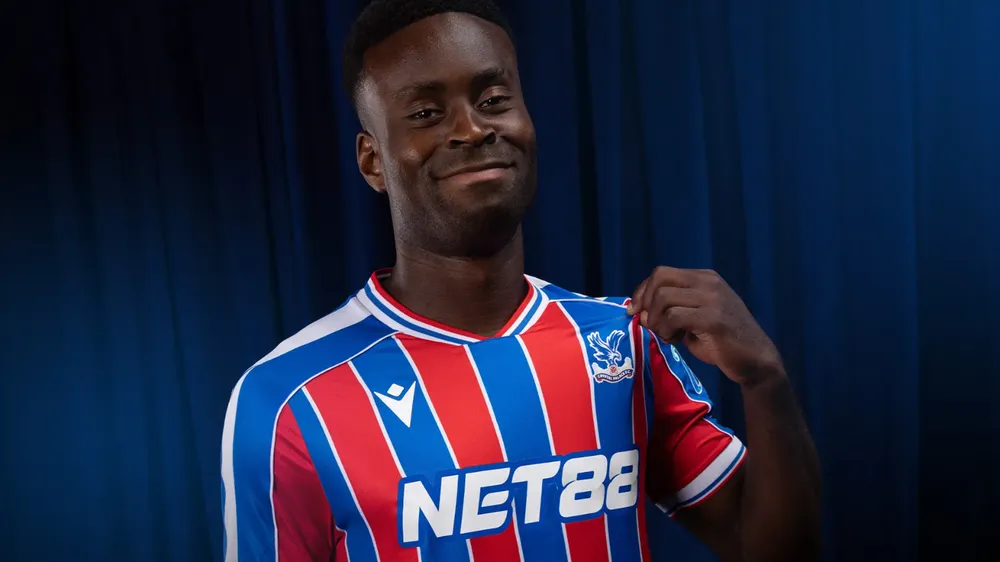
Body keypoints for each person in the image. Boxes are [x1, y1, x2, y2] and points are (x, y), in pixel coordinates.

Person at [220, 0, 821, 560]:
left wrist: (764, 378)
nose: (471, 129)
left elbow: (769, 548)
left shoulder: (625, 344)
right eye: (426, 113)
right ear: (373, 160)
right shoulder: (288, 401)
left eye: (493, 99)